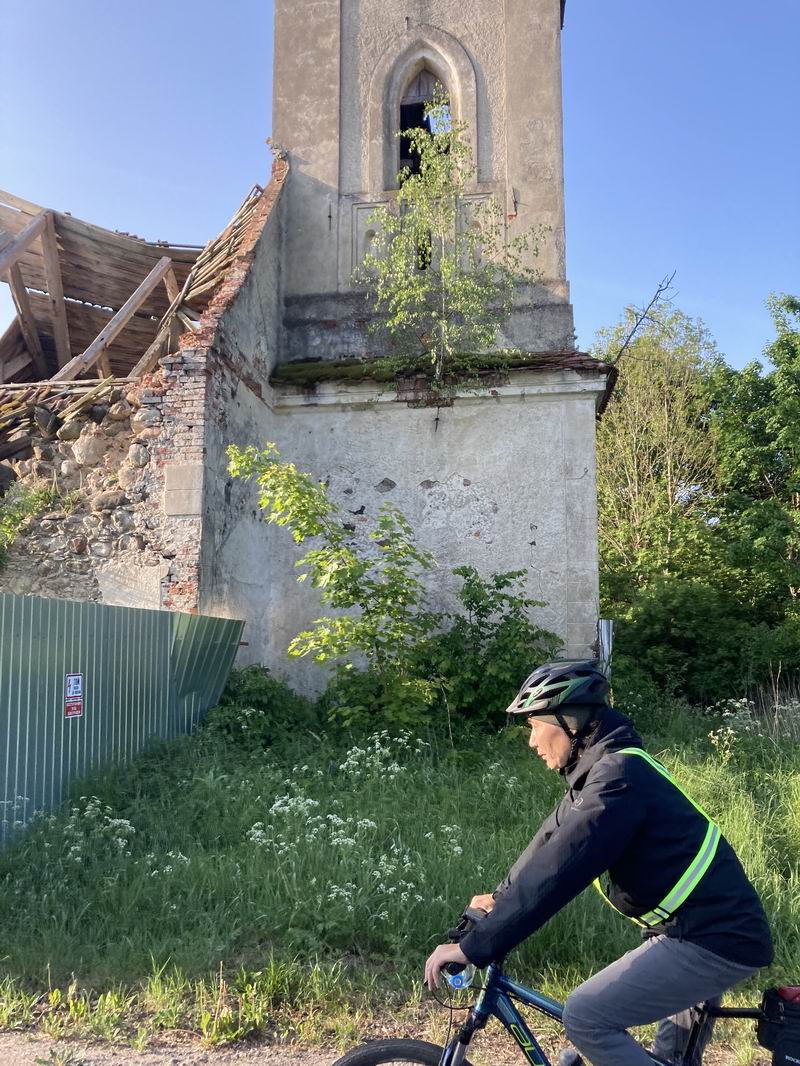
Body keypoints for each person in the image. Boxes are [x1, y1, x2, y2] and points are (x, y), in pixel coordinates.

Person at [424, 661, 773, 1066]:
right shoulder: (601, 771)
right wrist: (497, 899)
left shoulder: (616, 780)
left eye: (535, 725)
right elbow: (546, 846)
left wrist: (475, 947)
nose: (532, 741)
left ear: (570, 723)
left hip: (711, 937)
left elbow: (556, 875)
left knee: (587, 1017)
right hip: (692, 929)